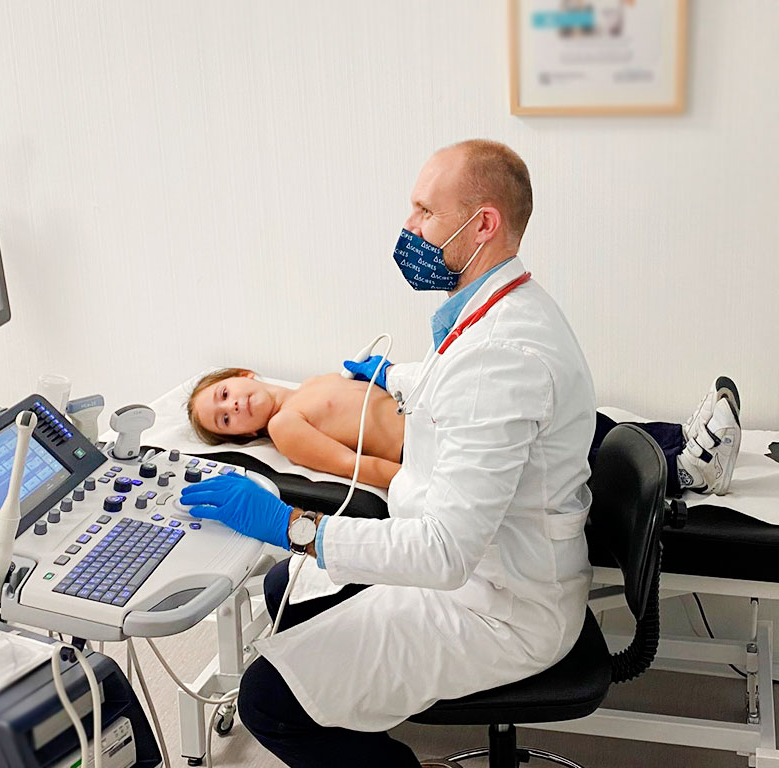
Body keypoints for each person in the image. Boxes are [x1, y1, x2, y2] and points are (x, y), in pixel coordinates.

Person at [175, 140, 707, 767]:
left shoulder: (502, 356)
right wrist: (397, 377)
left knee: (266, 699)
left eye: (425, 212)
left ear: (483, 224)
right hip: (492, 568)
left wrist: (292, 525)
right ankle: (354, 707)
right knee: (284, 591)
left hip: (498, 608)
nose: (409, 227)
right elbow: (460, 387)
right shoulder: (500, 309)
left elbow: (444, 553)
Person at [187, 367, 742, 495]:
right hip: (431, 448)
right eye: (225, 419)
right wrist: (426, 485)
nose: (234, 406)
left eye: (224, 394)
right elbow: (355, 469)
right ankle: (684, 472)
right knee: (554, 452)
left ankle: (678, 439)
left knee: (565, 419)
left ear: (242, 375)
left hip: (440, 412)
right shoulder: (285, 426)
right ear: (241, 437)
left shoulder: (316, 381)